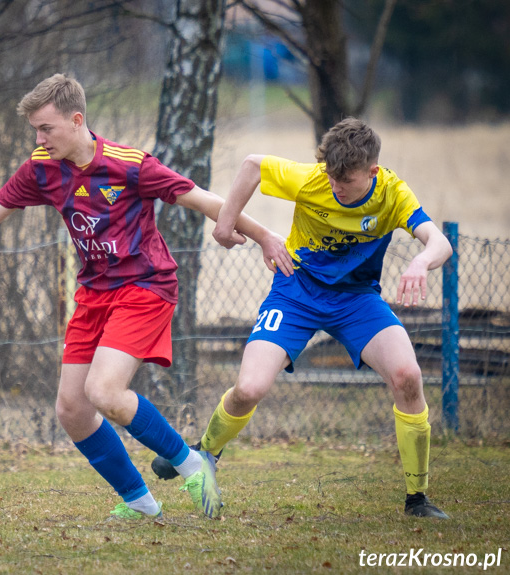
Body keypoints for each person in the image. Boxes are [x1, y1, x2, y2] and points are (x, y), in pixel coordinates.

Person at [0, 73, 288, 520]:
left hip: (145, 287)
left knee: (104, 390)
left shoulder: (131, 165)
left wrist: (265, 236)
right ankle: (140, 501)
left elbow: (206, 201)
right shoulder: (41, 167)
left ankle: (193, 464)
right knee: (72, 409)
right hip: (94, 293)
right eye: (34, 129)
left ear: (76, 120)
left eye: (45, 128)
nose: (38, 138)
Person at [151, 117, 453, 519]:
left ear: (372, 172)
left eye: (344, 180)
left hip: (357, 300)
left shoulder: (393, 195)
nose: (334, 186)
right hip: (296, 290)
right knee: (249, 388)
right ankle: (204, 454)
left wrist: (421, 261)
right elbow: (252, 166)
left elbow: (440, 242)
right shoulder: (313, 179)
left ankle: (417, 498)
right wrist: (224, 225)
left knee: (408, 377)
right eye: (330, 176)